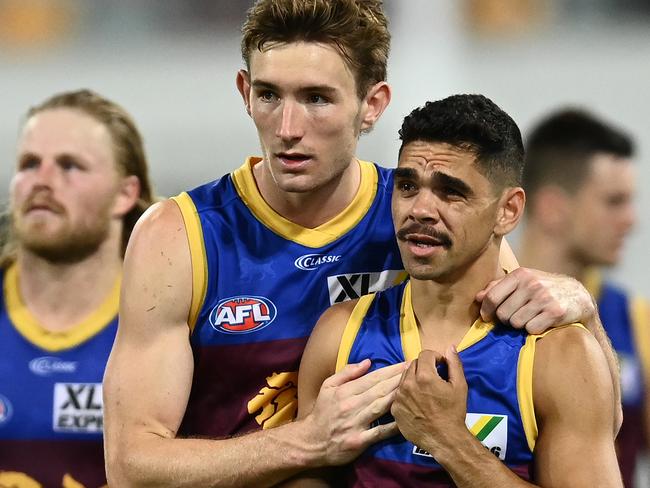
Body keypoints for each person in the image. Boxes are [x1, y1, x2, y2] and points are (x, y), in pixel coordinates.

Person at [103, 1, 620, 486]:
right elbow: (130, 466)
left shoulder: (425, 221)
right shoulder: (179, 235)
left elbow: (591, 411)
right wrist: (306, 443)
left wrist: (585, 313)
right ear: (244, 92)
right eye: (269, 95)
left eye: (316, 99)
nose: (287, 128)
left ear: (372, 105)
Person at [293, 94, 622, 487]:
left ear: (509, 211)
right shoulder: (339, 334)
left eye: (451, 192)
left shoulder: (560, 355)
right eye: (408, 186)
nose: (420, 209)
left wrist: (447, 440)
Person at [0, 89, 155, 487]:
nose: (42, 181)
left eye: (69, 166)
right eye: (29, 163)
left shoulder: (171, 319)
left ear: (125, 194)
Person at [519, 108, 649, 487]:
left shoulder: (635, 319)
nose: (632, 220)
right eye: (614, 201)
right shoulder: (475, 308)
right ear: (553, 208)